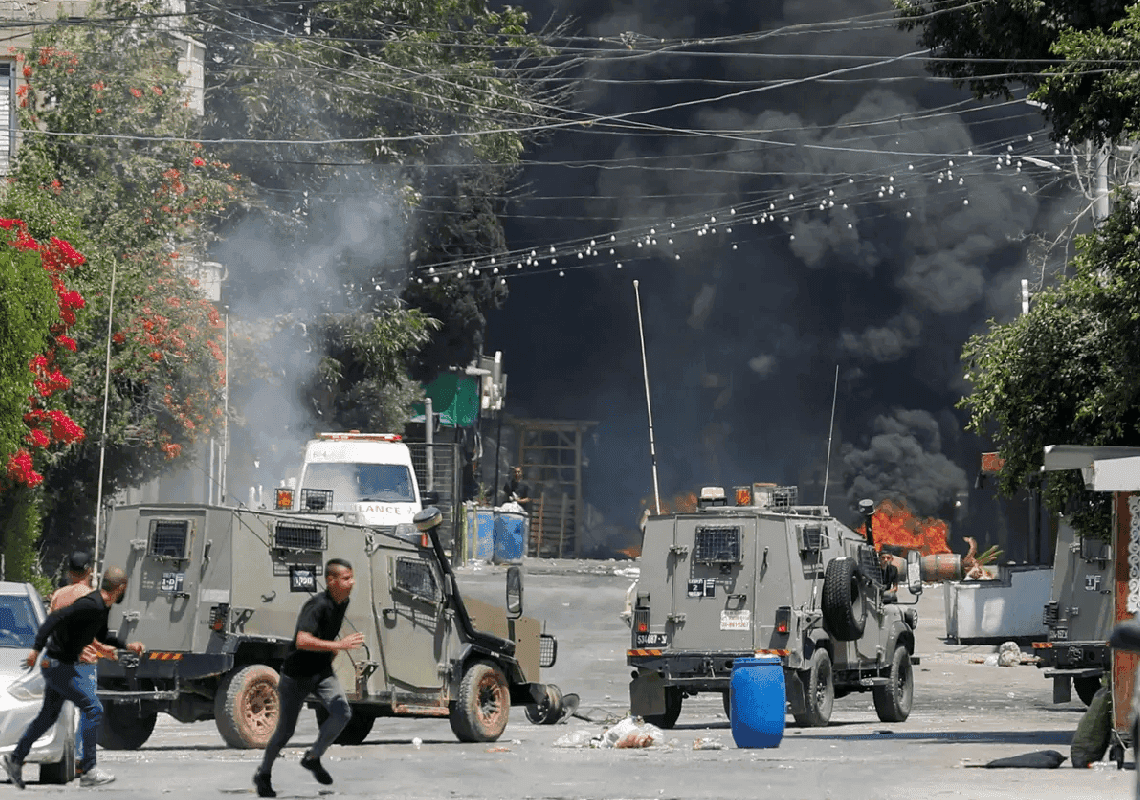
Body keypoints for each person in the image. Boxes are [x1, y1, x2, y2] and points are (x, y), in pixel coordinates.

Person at [2, 567, 144, 789]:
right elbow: (56, 618)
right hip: (58, 664)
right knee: (93, 709)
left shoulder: (101, 607)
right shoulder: (91, 604)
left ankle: (16, 758)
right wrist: (36, 650)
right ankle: (89, 771)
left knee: (48, 716)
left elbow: (102, 635)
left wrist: (127, 646)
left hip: (61, 664)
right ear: (121, 588)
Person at [253, 558, 365, 799]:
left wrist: (332, 650)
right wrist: (339, 645)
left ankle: (312, 757)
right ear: (331, 581)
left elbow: (325, 633)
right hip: (296, 675)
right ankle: (264, 773)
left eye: (352, 577)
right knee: (285, 732)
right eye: (346, 578)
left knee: (342, 712)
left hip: (322, 672)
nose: (352, 582)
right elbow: (302, 640)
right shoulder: (316, 606)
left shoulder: (343, 602)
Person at [47, 552, 116, 771]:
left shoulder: (58, 595)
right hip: (83, 663)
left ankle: (59, 755)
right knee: (89, 710)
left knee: (61, 710)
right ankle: (80, 759)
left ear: (69, 572)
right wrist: (107, 651)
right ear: (89, 571)